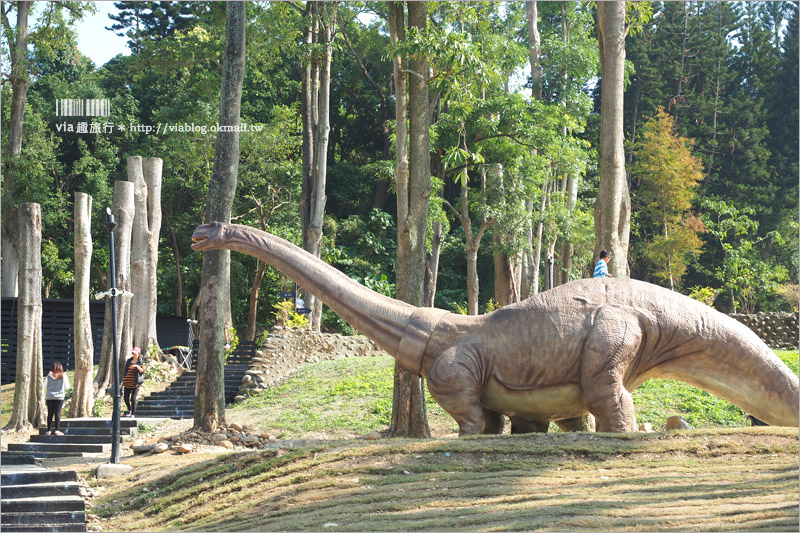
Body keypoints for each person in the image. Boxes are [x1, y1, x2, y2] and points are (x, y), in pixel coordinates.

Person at [44, 361, 69, 436]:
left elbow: (44, 386)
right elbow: (67, 386)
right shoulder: (63, 376)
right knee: (57, 413)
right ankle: (57, 430)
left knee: (50, 413)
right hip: (59, 397)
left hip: (50, 397)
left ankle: (48, 430)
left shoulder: (48, 376)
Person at [122, 347, 145, 418]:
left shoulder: (141, 362)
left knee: (133, 399)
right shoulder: (129, 361)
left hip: (136, 383)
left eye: (135, 353)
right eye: (133, 353)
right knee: (126, 398)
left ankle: (133, 414)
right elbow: (125, 371)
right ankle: (129, 410)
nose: (133, 355)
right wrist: (123, 379)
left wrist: (136, 366)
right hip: (127, 382)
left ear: (138, 354)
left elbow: (143, 371)